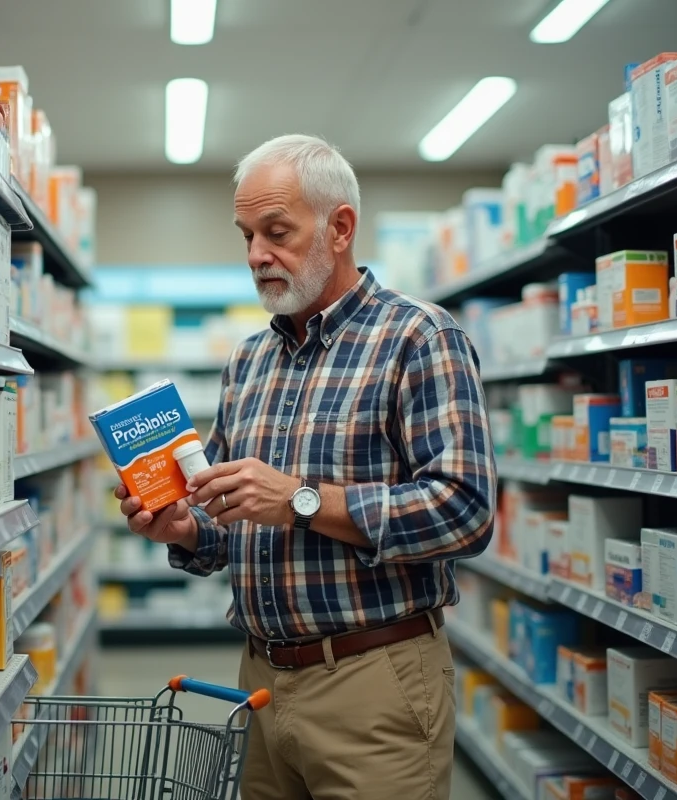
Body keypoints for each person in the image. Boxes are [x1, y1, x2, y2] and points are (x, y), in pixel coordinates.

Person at [114, 134, 496, 800]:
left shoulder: (418, 337)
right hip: (261, 680)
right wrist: (184, 530)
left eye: (277, 232)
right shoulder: (248, 362)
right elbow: (237, 524)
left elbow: (464, 513)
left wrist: (303, 500)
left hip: (374, 680)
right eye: (246, 235)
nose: (257, 255)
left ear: (340, 227)